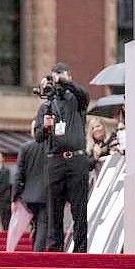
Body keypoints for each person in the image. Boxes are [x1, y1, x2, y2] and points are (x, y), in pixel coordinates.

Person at [34, 62, 90, 252]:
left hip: (76, 160)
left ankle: (81, 251)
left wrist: (64, 82)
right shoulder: (46, 106)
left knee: (79, 208)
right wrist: (46, 126)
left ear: (69, 76)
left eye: (61, 75)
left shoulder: (77, 99)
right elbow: (38, 137)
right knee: (54, 209)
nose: (56, 79)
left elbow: (84, 94)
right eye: (54, 75)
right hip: (55, 160)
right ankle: (56, 250)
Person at [13, 120, 48, 252]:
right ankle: (37, 255)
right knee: (42, 225)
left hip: (27, 196)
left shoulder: (25, 148)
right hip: (46, 195)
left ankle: (35, 251)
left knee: (35, 226)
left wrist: (15, 197)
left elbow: (19, 174)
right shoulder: (51, 147)